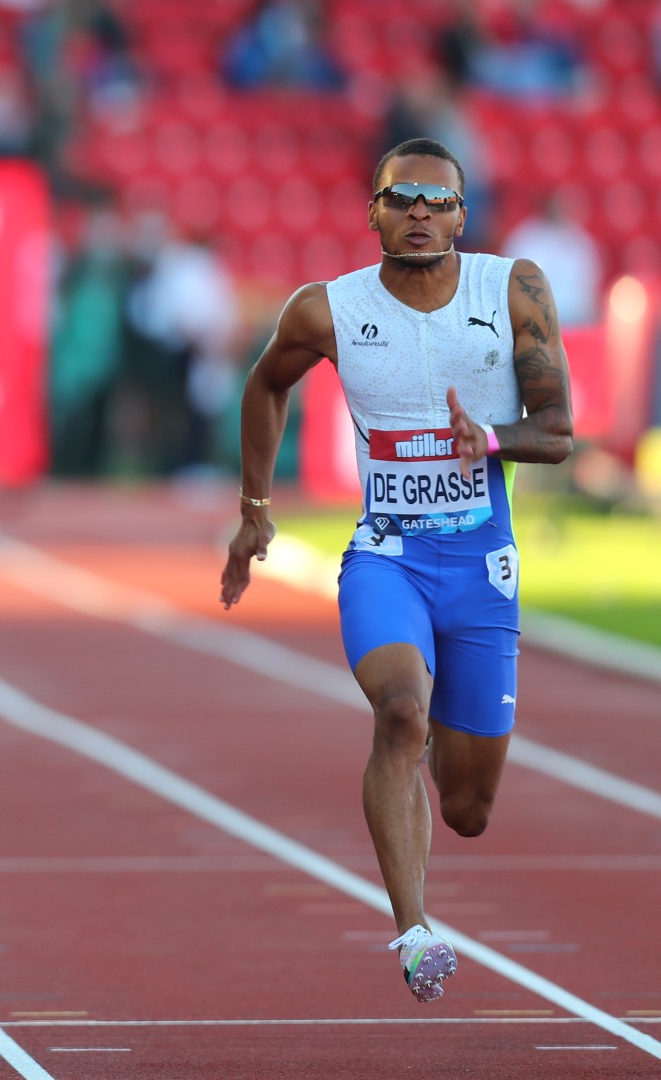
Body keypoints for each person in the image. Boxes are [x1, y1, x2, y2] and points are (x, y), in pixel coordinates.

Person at [221, 137, 571, 1003]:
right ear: (372, 211)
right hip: (389, 556)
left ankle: (433, 795)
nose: (419, 212)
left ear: (462, 215)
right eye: (400, 197)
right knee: (400, 712)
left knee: (467, 809)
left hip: (481, 563)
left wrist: (486, 439)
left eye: (437, 201)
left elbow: (559, 429)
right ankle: (414, 930)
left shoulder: (511, 289)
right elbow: (266, 385)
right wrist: (254, 510)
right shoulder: (327, 311)